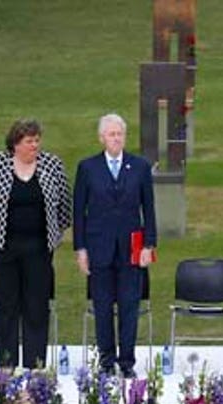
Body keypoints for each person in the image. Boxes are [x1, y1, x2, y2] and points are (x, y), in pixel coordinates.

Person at [0, 119, 71, 369]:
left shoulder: (52, 165)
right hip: (1, 248)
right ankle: (6, 364)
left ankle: (35, 364)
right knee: (5, 306)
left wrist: (55, 234)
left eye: (37, 140)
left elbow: (65, 206)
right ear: (15, 144)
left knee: (37, 306)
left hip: (38, 249)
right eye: (29, 141)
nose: (35, 146)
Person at [73, 113, 156, 378]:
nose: (116, 138)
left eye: (120, 133)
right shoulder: (87, 168)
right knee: (103, 307)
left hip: (132, 249)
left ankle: (127, 361)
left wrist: (149, 245)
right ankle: (106, 361)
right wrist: (81, 249)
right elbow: (79, 213)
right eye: (111, 134)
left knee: (130, 307)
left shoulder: (140, 167)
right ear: (101, 138)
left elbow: (149, 210)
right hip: (99, 248)